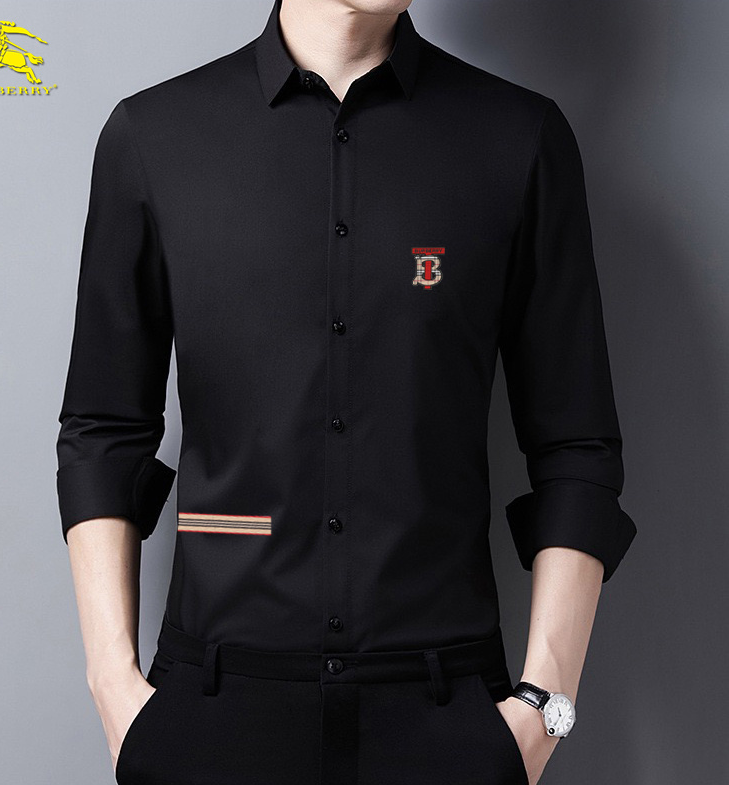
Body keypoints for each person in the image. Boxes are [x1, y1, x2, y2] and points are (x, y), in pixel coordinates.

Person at [55, 1, 637, 783]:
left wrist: (543, 702)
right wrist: (113, 686)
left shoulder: (519, 138)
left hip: (445, 716)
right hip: (211, 712)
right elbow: (101, 430)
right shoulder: (155, 136)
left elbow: (577, 445)